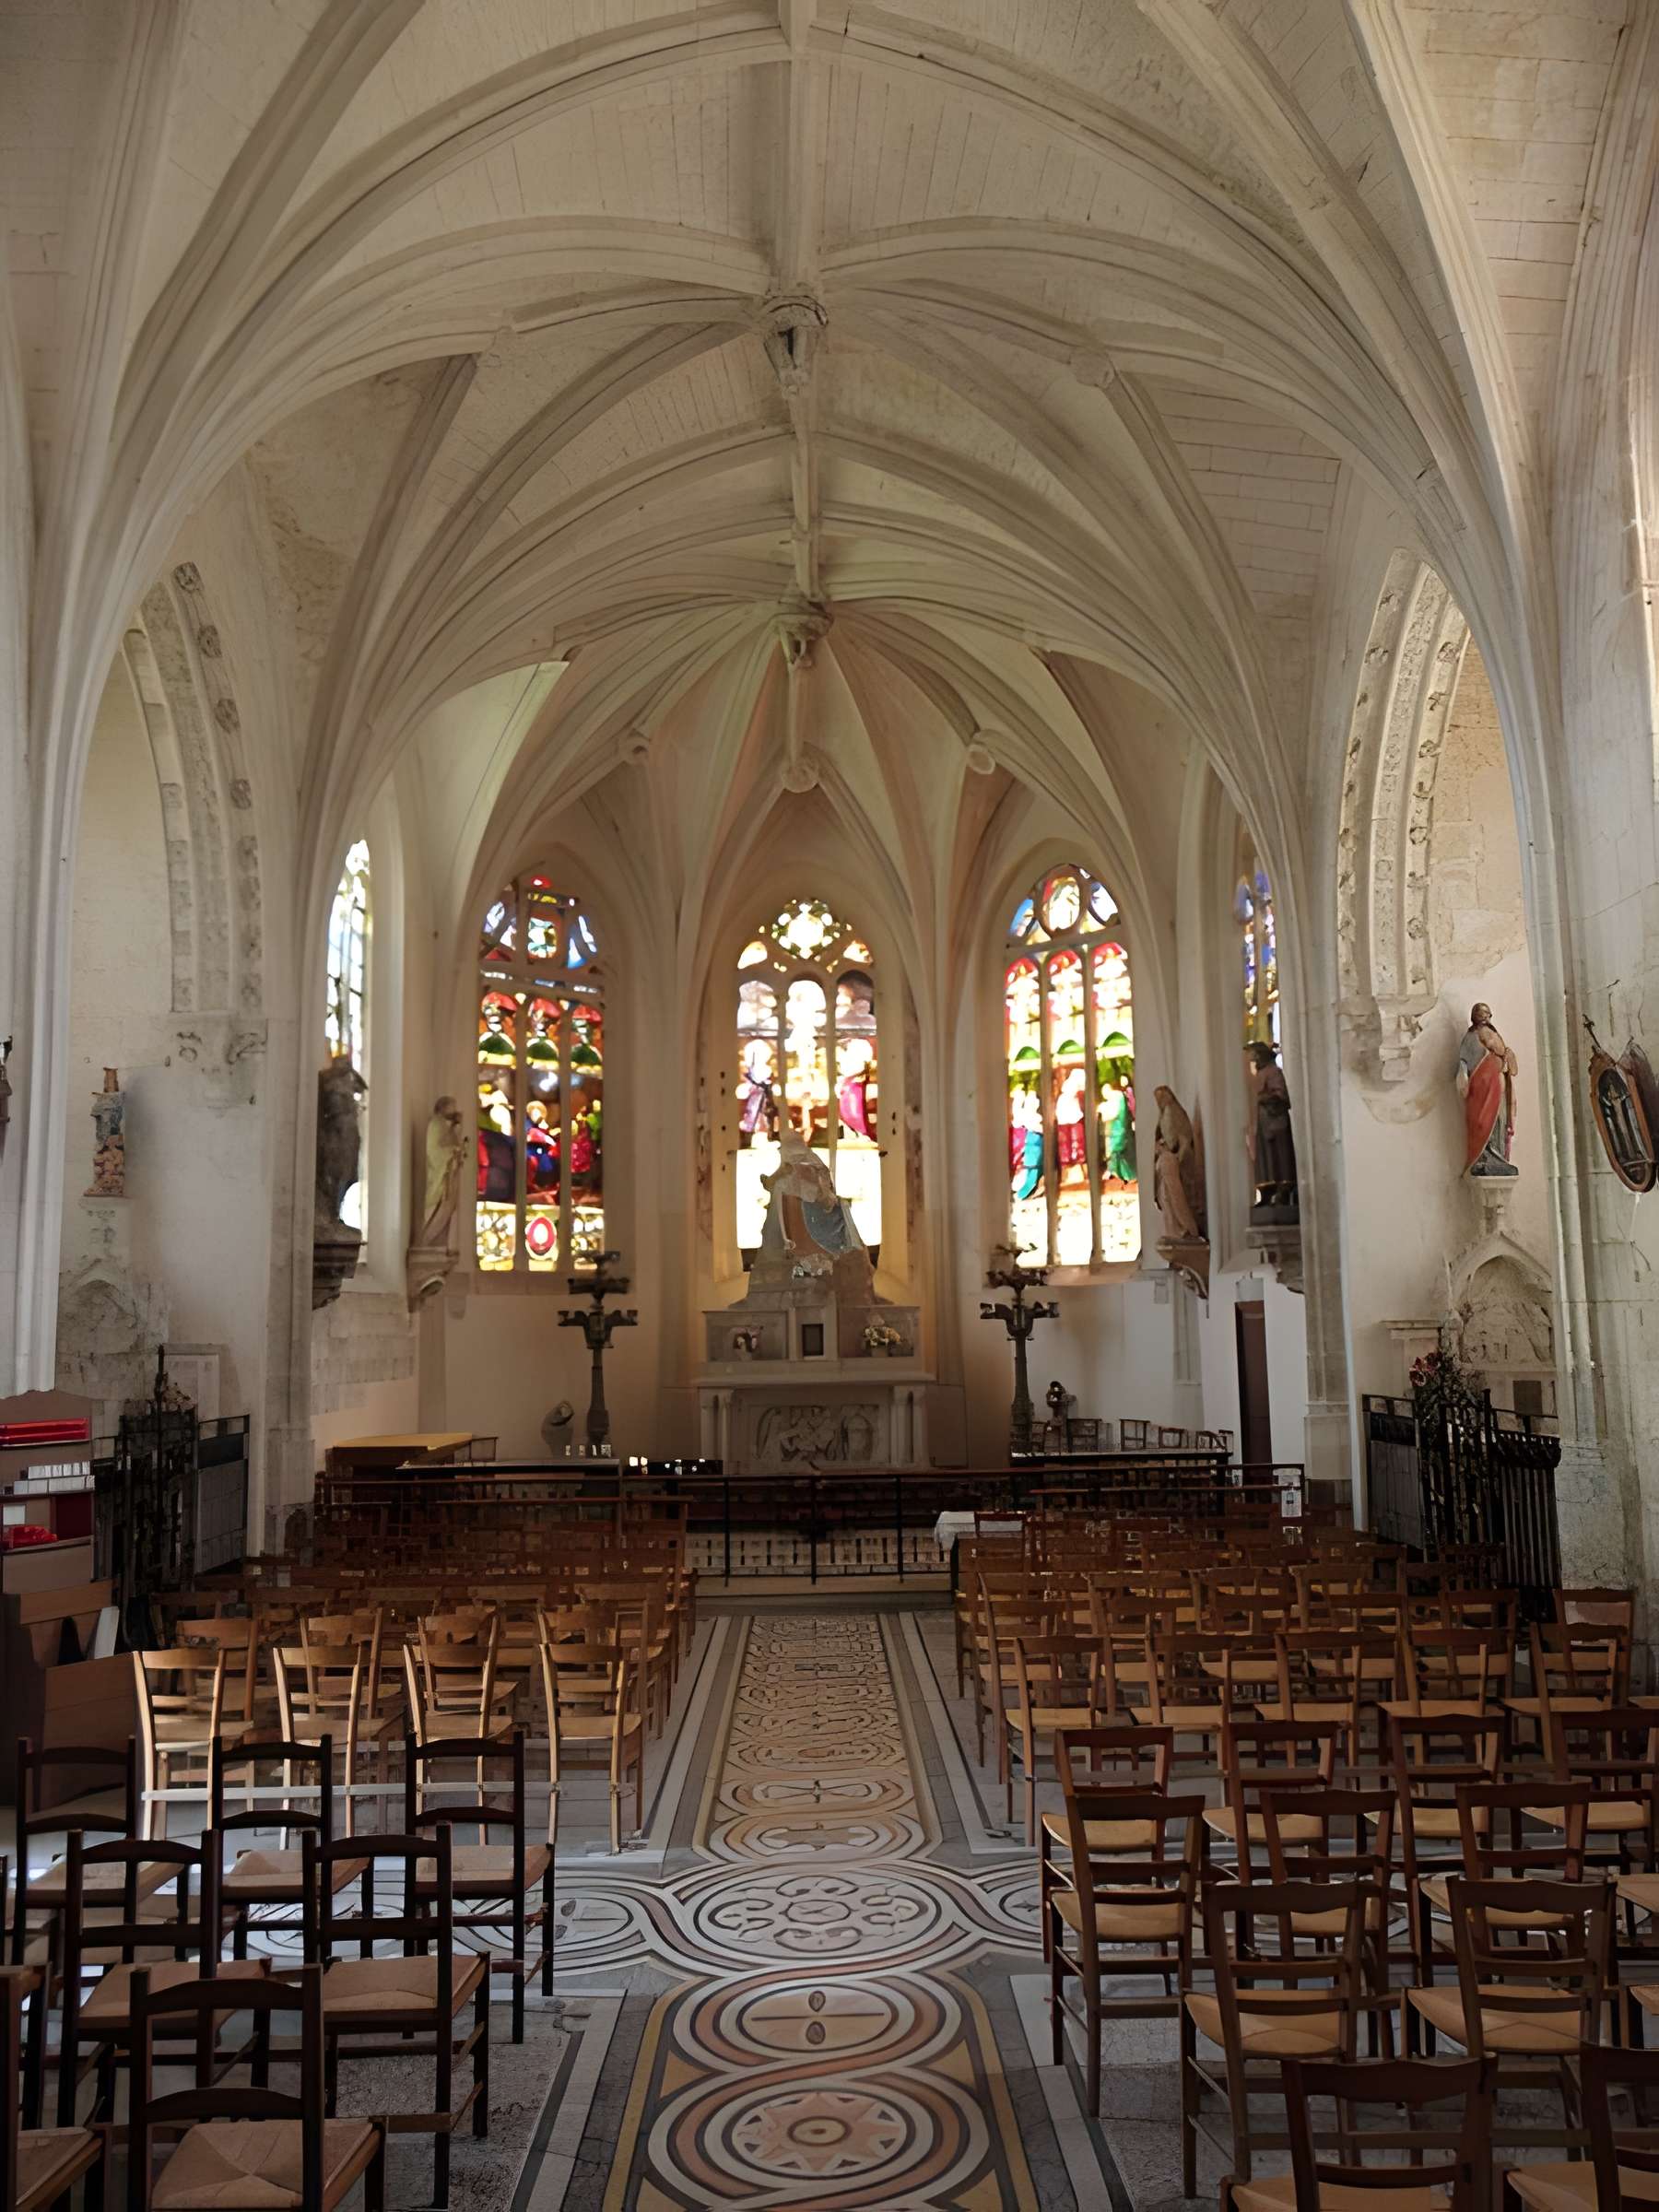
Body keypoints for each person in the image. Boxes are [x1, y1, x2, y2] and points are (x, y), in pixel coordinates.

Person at [1456, 1003, 1519, 1178]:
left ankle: (1497, 1156)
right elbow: (1464, 1063)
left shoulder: (1491, 1032)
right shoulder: (1471, 1037)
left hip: (1497, 1091)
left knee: (1499, 1121)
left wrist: (1506, 1058)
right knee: (1484, 1121)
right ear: (1477, 1017)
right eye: (1484, 1015)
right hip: (1483, 1090)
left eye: (1488, 1015)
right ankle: (1484, 1156)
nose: (1487, 1018)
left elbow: (1505, 1059)